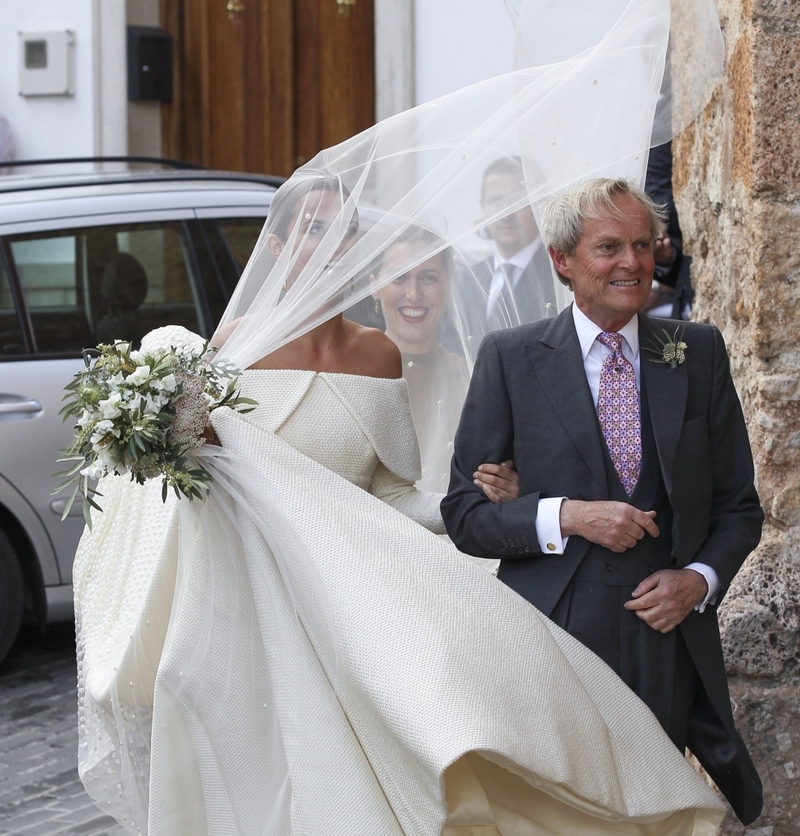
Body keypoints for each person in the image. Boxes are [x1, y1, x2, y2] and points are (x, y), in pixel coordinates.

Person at [441, 177, 764, 825]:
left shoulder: (695, 354)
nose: (632, 263)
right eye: (609, 247)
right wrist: (567, 515)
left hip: (664, 643)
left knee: (653, 812)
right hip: (552, 638)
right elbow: (466, 516)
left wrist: (696, 583)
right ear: (563, 261)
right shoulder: (512, 359)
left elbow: (739, 508)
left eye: (643, 245)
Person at [450, 157, 557, 357]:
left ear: (539, 204)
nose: (507, 215)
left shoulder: (560, 278)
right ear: (482, 206)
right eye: (496, 201)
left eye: (518, 201)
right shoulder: (465, 280)